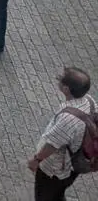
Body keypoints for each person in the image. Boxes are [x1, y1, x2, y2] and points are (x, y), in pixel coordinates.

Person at [28, 68, 97, 200]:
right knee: (58, 194)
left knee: (44, 196)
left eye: (61, 78)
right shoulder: (89, 100)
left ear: (66, 89)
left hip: (55, 170)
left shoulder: (67, 119)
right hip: (74, 165)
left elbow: (52, 145)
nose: (58, 78)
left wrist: (36, 160)